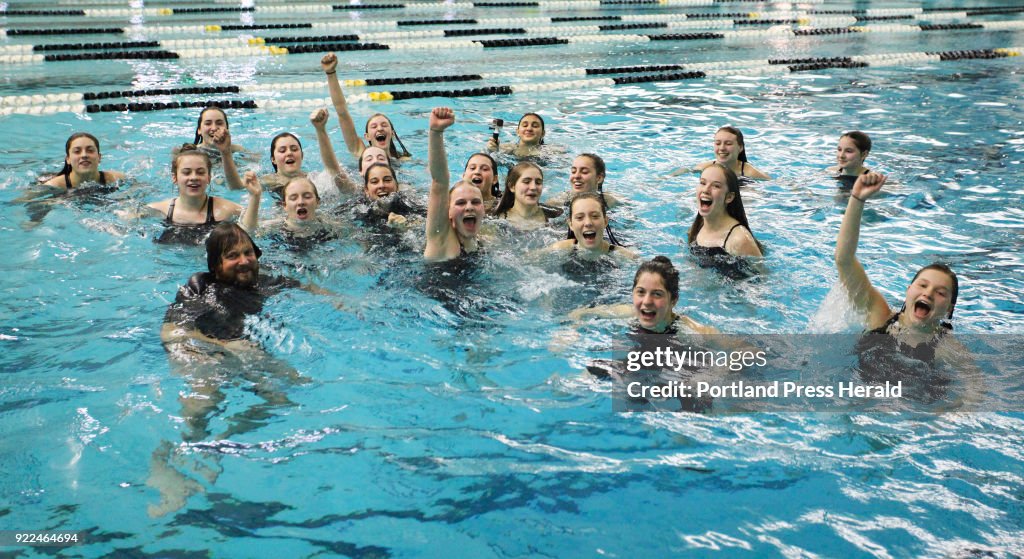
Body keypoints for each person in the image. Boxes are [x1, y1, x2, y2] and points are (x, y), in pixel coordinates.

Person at [145, 133, 258, 244]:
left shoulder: (226, 210)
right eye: (186, 172)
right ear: (175, 178)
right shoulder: (158, 210)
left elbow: (249, 232)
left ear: (209, 178)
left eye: (200, 172)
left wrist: (255, 197)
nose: (194, 177)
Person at [321, 53, 412, 161]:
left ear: (392, 134)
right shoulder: (361, 153)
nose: (380, 128)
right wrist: (331, 73)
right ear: (367, 136)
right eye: (374, 126)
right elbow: (342, 113)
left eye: (384, 125)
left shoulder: (402, 160)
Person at [424, 107, 485, 262]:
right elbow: (439, 182)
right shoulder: (441, 238)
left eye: (476, 202)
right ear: (448, 212)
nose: (469, 207)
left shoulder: (479, 241)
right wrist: (436, 132)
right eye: (460, 203)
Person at [259, 109, 356, 202]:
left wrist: (320, 130)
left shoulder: (313, 179)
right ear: (273, 159)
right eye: (282, 150)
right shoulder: (266, 181)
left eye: (294, 149)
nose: (289, 153)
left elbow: (335, 172)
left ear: (302, 155)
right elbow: (244, 186)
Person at [688, 163, 763, 277]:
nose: (706, 190)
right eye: (703, 183)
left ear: (729, 197)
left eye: (716, 186)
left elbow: (762, 278)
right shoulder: (697, 227)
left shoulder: (739, 239)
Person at [543, 192, 635, 261]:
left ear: (606, 221)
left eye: (595, 216)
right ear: (571, 224)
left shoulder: (624, 256)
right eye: (579, 217)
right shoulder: (559, 249)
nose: (588, 223)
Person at [674, 126, 770, 180]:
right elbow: (687, 170)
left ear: (740, 148)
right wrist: (664, 178)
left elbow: (770, 183)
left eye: (728, 144)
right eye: (718, 143)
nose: (722, 148)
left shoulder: (749, 172)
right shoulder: (707, 166)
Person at [42, 132, 126, 190]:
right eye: (77, 151)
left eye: (90, 150)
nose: (84, 155)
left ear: (99, 157)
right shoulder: (54, 186)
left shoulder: (116, 178)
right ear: (68, 159)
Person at [545, 153, 620, 209]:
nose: (576, 176)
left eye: (584, 172)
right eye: (573, 171)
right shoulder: (557, 203)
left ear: (599, 178)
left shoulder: (610, 201)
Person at [492, 161, 548, 229]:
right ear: (512, 186)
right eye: (526, 182)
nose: (533, 187)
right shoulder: (496, 220)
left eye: (538, 182)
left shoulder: (555, 216)